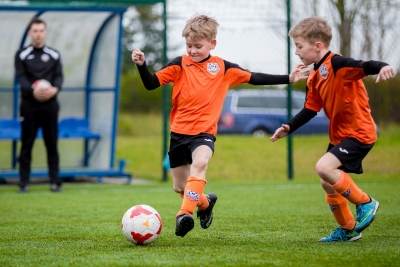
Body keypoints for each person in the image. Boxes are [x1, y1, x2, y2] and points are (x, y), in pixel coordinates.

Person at [132, 15, 308, 237]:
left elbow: (254, 77)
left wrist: (288, 78)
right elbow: (150, 84)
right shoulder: (179, 64)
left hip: (204, 134)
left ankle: (184, 214)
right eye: (189, 46)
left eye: (198, 46)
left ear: (212, 43)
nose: (193, 50)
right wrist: (141, 66)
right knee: (179, 187)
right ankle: (205, 203)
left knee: (200, 164)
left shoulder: (223, 68)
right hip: (178, 134)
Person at [270, 17, 396, 242]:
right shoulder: (315, 75)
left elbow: (364, 66)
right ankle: (348, 230)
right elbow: (310, 109)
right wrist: (288, 127)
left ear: (317, 45)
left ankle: (366, 202)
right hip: (340, 136)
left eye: (299, 46)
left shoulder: (337, 64)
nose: (296, 52)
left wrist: (384, 66)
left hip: (359, 132)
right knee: (327, 181)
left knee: (323, 167)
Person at [15, 17, 64, 193]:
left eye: (41, 30)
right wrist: (32, 90)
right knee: (26, 144)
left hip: (50, 105)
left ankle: (55, 181)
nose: (38, 34)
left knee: (52, 143)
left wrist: (55, 89)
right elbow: (20, 77)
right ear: (30, 33)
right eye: (35, 31)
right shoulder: (22, 54)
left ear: (45, 32)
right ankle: (23, 182)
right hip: (29, 106)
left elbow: (59, 76)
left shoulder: (54, 54)